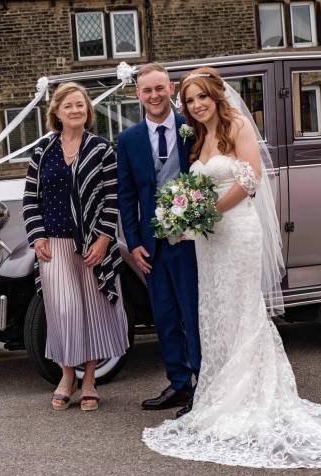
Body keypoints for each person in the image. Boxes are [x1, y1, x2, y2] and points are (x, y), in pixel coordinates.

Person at [141, 67, 321, 468]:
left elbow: (250, 179)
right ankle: (220, 395)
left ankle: (249, 397)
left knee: (243, 310)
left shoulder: (238, 125)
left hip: (238, 232)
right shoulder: (197, 136)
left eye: (202, 97)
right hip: (210, 242)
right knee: (216, 313)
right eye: (190, 100)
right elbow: (197, 187)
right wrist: (189, 218)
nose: (196, 105)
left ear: (215, 96)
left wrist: (205, 212)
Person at [23, 82, 129, 411]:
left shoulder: (102, 150)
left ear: (88, 111)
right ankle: (67, 375)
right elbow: (30, 199)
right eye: (69, 105)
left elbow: (113, 199)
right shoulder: (42, 152)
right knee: (63, 313)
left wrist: (103, 239)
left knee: (93, 313)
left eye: (81, 105)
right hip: (54, 245)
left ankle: (90, 380)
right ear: (56, 112)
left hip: (92, 245)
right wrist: (37, 236)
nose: (75, 110)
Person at [117, 63, 200, 418]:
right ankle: (178, 383)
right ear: (138, 95)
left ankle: (202, 383)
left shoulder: (191, 129)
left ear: (171, 89)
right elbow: (126, 194)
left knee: (193, 313)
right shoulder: (129, 139)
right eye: (146, 90)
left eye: (159, 89)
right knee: (164, 315)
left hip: (190, 240)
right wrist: (133, 241)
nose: (154, 96)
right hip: (151, 245)